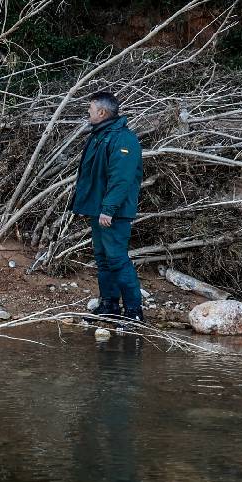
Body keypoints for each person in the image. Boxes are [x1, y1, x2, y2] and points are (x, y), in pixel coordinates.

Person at [69, 90, 144, 320]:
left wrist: (108, 209)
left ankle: (134, 311)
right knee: (103, 260)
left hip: (114, 213)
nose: (88, 113)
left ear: (101, 112)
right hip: (100, 210)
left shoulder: (124, 139)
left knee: (117, 259)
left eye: (90, 109)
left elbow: (121, 179)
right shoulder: (99, 135)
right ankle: (109, 306)